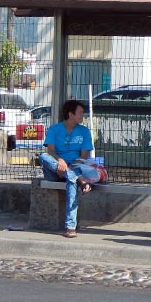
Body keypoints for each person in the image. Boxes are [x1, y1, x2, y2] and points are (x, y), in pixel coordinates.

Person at [39, 100, 94, 238]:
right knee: (43, 156)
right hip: (55, 169)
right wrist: (60, 160)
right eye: (80, 112)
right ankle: (79, 179)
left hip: (74, 168)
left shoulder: (84, 131)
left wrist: (70, 168)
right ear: (71, 114)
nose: (83, 115)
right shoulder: (54, 129)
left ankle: (70, 226)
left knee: (71, 181)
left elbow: (83, 157)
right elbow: (50, 151)